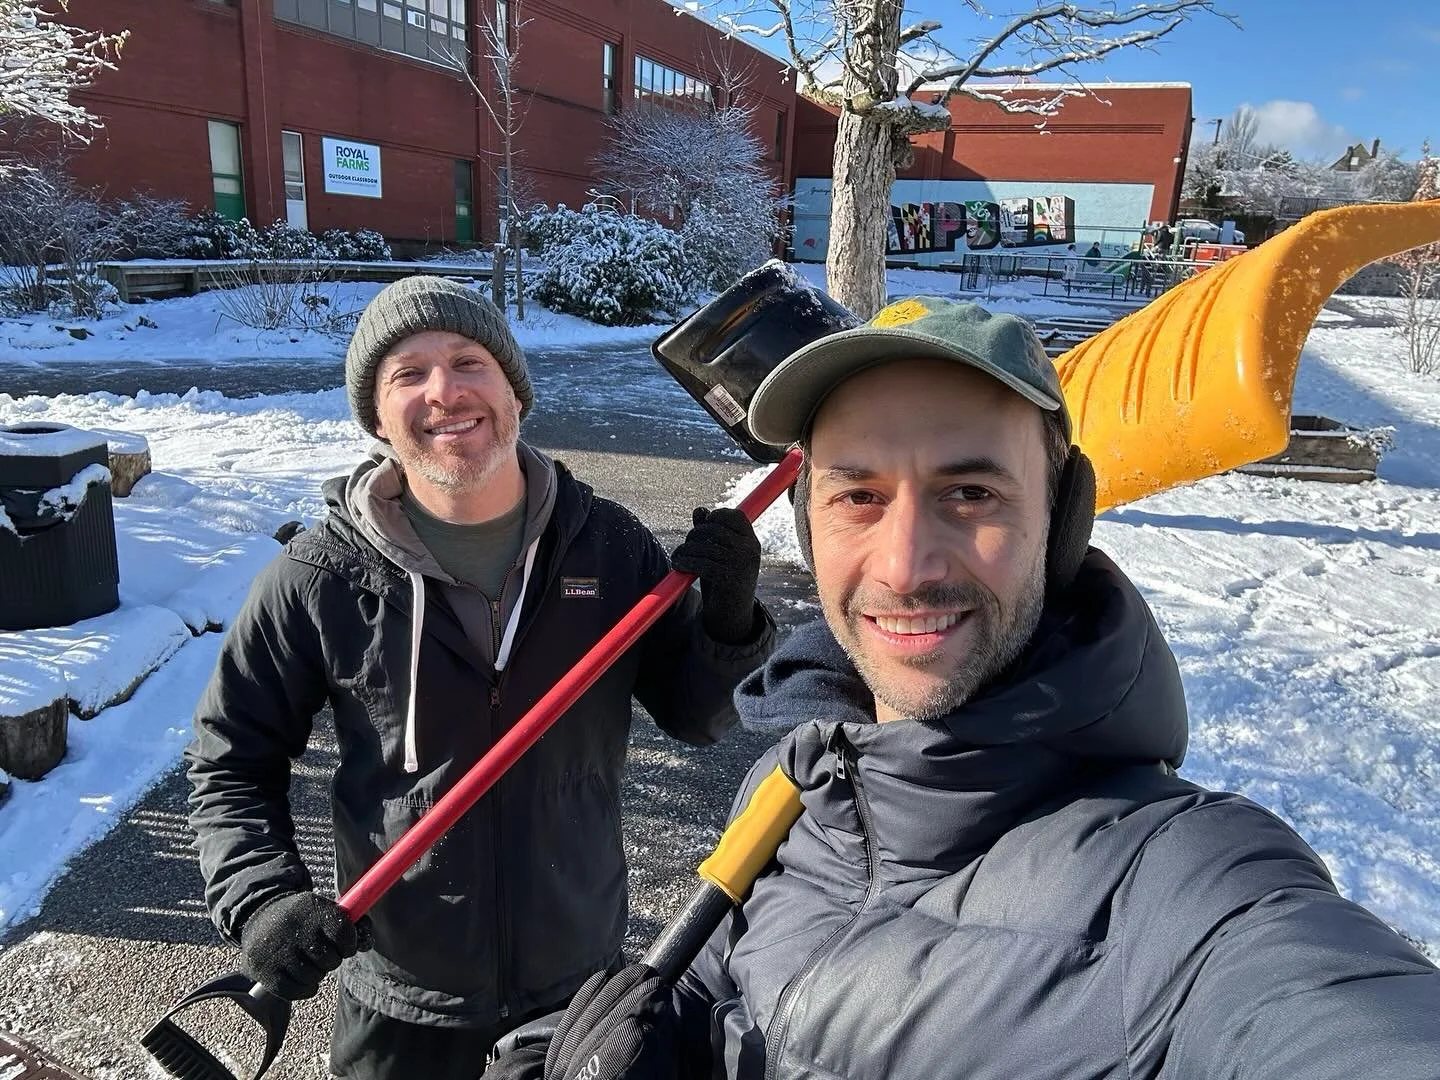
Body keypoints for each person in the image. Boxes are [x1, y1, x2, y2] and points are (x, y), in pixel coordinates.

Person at [486, 296, 1440, 1080]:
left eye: (971, 494)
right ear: (813, 528)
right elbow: (718, 987)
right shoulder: (795, 784)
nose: (903, 564)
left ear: (1062, 520)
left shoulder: (1185, 886)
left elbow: (1331, 1016)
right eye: (859, 495)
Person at [185, 275, 776, 1080]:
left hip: (576, 989)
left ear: (514, 392)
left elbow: (698, 716)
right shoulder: (320, 574)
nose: (445, 392)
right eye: (408, 374)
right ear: (376, 418)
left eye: (469, 362)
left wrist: (731, 618)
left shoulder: (606, 548)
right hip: (401, 1001)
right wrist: (262, 901)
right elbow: (230, 762)